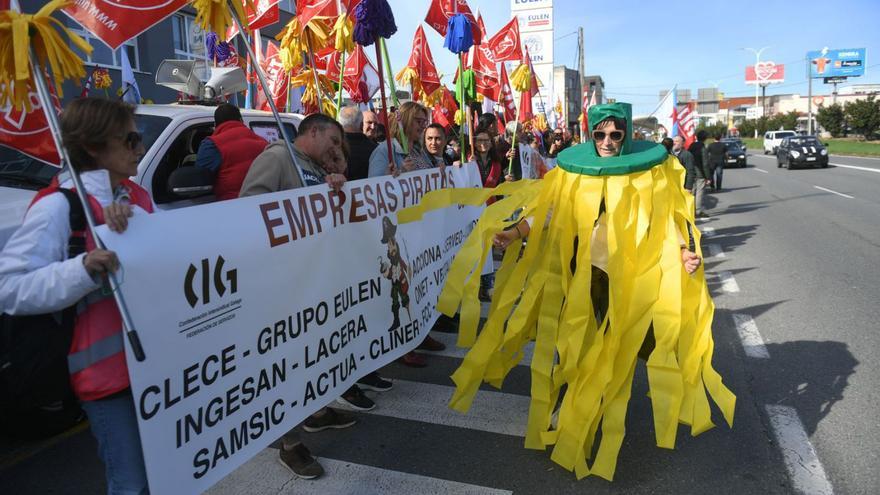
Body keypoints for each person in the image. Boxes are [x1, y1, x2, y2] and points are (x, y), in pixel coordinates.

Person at [408, 102, 732, 479]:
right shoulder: (570, 173)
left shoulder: (647, 174)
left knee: (632, 343)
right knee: (570, 342)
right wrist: (512, 234)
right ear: (590, 135)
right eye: (600, 134)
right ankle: (569, 406)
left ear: (626, 135)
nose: (607, 141)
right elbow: (544, 212)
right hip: (579, 272)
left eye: (615, 134)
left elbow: (664, 219)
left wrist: (681, 252)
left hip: (628, 277)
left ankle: (610, 403)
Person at [0, 98, 154, 494]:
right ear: (92, 147)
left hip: (154, 368)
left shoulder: (135, 199)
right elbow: (10, 289)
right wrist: (82, 269)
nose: (140, 147)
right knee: (131, 484)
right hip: (105, 379)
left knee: (164, 475)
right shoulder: (58, 207)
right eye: (131, 138)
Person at [239, 113, 392, 479]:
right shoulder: (278, 158)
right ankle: (290, 445)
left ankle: (317, 413)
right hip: (283, 284)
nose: (337, 149)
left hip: (312, 281)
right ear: (313, 131)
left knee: (315, 354)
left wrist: (338, 174)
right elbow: (247, 209)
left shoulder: (312, 166)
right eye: (334, 142)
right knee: (289, 363)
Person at [195, 103, 268, 200]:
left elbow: (198, 180)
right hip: (262, 205)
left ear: (215, 125)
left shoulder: (212, 145)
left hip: (230, 207)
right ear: (241, 120)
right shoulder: (264, 143)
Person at [367, 101, 432, 177]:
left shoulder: (419, 150)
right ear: (406, 120)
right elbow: (375, 185)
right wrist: (402, 173)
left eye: (425, 122)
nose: (423, 126)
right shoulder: (384, 151)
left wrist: (439, 168)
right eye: (419, 121)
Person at [672, 135, 708, 218]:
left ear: (683, 143)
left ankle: (687, 229)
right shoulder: (669, 154)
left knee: (685, 210)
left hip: (683, 185)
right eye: (673, 141)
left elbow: (690, 172)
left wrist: (688, 187)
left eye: (677, 141)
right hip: (674, 185)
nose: (674, 143)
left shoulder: (687, 155)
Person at [338, 105, 376, 181]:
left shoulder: (332, 150)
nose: (373, 127)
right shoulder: (376, 150)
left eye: (376, 124)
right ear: (362, 125)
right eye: (369, 123)